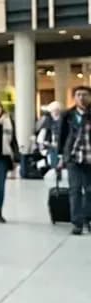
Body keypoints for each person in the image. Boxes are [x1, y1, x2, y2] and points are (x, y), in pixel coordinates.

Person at [59, 86, 91, 235]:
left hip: (89, 158)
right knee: (75, 190)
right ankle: (77, 223)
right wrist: (60, 157)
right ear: (74, 97)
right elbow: (62, 137)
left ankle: (87, 219)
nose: (81, 97)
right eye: (78, 95)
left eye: (85, 95)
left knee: (89, 190)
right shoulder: (67, 115)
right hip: (73, 157)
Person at [38, 101, 63, 169]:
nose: (53, 113)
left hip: (60, 145)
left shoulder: (63, 120)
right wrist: (43, 144)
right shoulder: (48, 120)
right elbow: (42, 134)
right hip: (52, 145)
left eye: (54, 111)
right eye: (52, 111)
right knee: (53, 161)